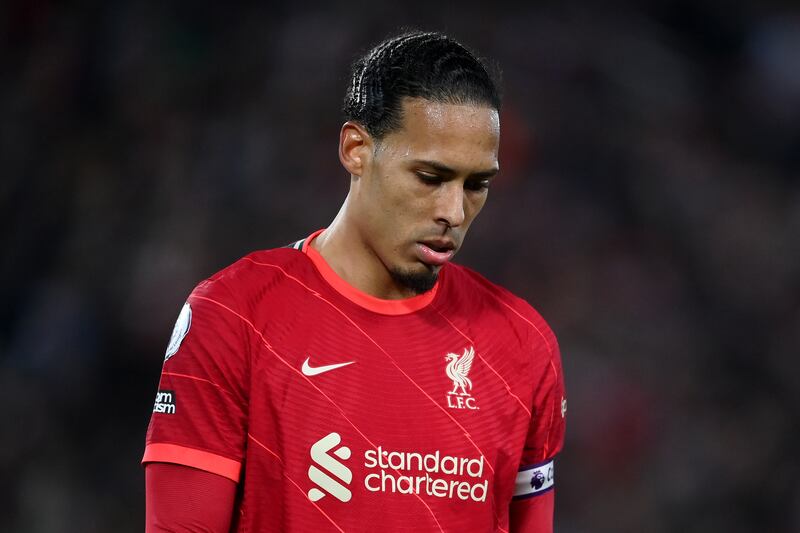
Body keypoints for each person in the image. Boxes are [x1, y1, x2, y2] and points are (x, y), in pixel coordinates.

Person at [143, 30, 566, 532]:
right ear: (356, 149)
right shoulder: (235, 315)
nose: (453, 212)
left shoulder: (522, 344)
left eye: (477, 185)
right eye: (430, 178)